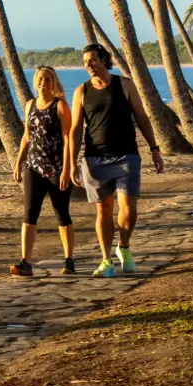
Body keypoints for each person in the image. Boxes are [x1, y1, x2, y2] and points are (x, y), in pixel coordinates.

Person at [62, 43, 164, 278]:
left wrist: (154, 148)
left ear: (104, 60)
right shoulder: (81, 91)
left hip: (126, 154)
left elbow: (141, 116)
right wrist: (72, 162)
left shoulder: (124, 84)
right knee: (103, 209)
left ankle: (124, 247)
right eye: (85, 61)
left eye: (92, 60)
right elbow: (76, 129)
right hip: (95, 158)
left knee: (129, 208)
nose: (88, 65)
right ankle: (106, 260)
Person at [11, 66, 76, 277]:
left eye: (47, 79)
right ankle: (25, 262)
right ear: (35, 81)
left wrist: (67, 169)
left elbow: (68, 139)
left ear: (54, 82)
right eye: (40, 79)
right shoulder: (30, 105)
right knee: (29, 213)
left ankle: (68, 259)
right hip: (33, 167)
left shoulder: (61, 106)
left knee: (61, 213)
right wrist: (18, 162)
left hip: (56, 168)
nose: (43, 83)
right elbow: (26, 137)